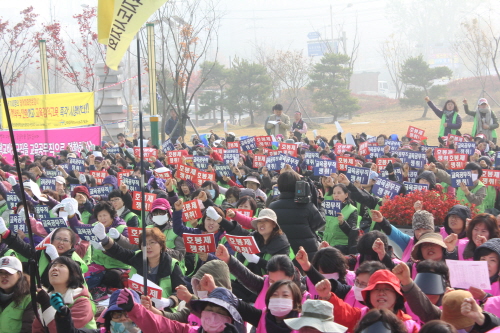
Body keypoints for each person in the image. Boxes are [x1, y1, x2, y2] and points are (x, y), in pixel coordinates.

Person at [100, 227, 184, 308]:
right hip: (136, 306)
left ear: (161, 245)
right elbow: (119, 251)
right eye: (144, 243)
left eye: (152, 242)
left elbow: (181, 290)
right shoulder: (137, 258)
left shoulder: (171, 264)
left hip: (162, 310)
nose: (148, 247)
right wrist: (104, 239)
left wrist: (169, 301)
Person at [114, 287, 245, 333]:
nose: (213, 315)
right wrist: (134, 309)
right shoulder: (187, 330)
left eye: (220, 312)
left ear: (230, 319)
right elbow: (160, 326)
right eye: (209, 309)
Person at [268, 170, 325, 259]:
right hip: (307, 254)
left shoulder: (272, 206)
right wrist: (320, 205)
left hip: (282, 254)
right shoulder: (307, 205)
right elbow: (320, 225)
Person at [32, 256, 96, 332]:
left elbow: (61, 330)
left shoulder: (82, 302)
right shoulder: (47, 298)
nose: (54, 268)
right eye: (53, 266)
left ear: (73, 274)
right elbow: (37, 329)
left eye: (61, 265)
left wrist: (46, 304)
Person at [0, 256, 33, 332]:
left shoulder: (30, 298)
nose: (3, 276)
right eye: (0, 272)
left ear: (19, 274)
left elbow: (29, 329)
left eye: (8, 272)